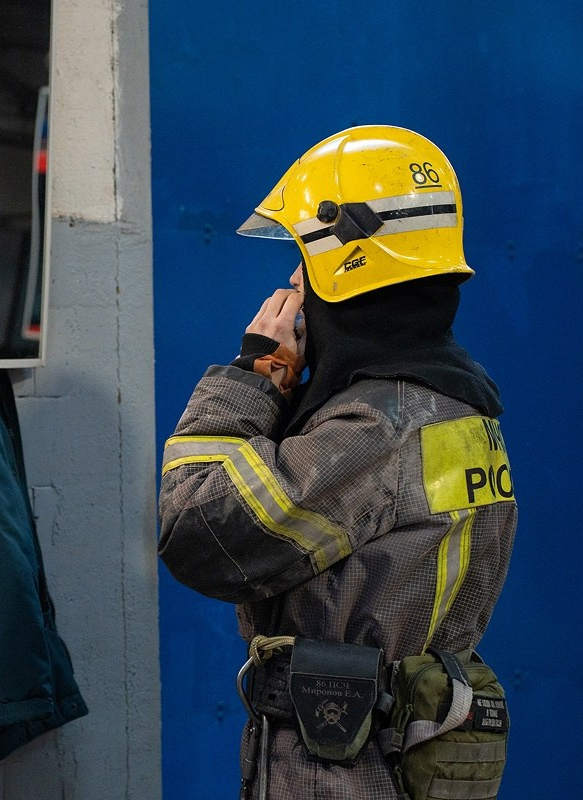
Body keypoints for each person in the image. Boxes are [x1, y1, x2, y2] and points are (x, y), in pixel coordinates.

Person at [158, 125, 517, 799]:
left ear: (351, 269)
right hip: (402, 755)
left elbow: (199, 533)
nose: (293, 279)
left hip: (342, 771)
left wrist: (254, 377)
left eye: (303, 258)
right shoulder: (457, 404)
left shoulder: (375, 429)